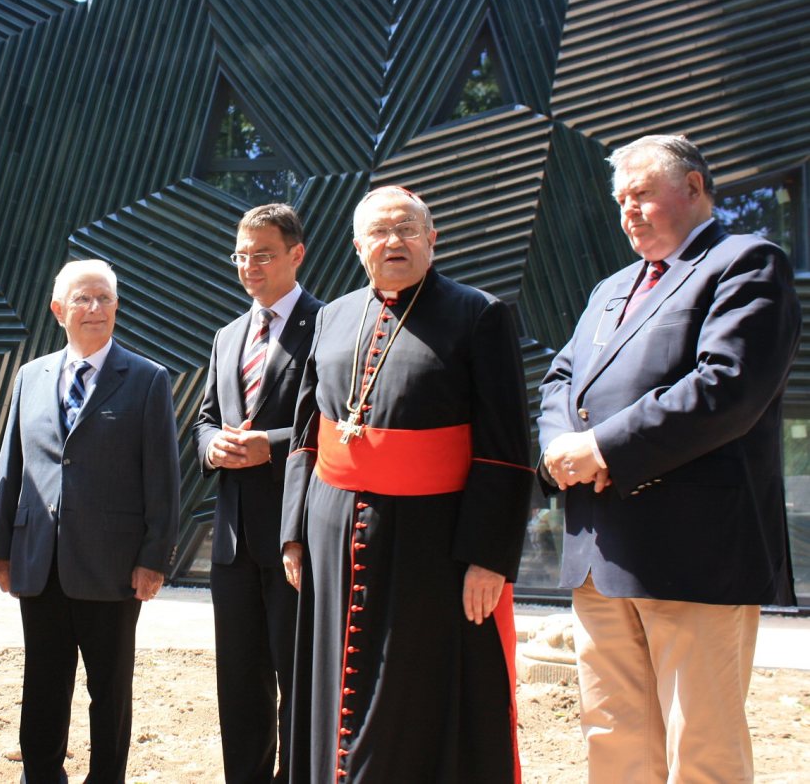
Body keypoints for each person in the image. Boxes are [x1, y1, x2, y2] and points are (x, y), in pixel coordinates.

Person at [537, 134, 800, 783]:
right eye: (622, 198)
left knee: (701, 746)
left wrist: (602, 446)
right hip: (602, 552)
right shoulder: (608, 289)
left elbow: (726, 387)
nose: (628, 209)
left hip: (696, 555)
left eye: (643, 194)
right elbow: (557, 381)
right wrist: (555, 448)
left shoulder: (745, 264)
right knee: (614, 737)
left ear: (694, 189)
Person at [280, 186, 532, 784]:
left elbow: (506, 448)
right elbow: (306, 433)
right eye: (379, 232)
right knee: (334, 683)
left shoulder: (479, 314)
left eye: (407, 229)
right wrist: (293, 532)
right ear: (357, 245)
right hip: (333, 538)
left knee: (412, 693)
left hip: (433, 544)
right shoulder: (334, 315)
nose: (393, 242)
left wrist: (487, 558)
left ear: (432, 239)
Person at [0, 259, 181, 784]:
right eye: (83, 299)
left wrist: (153, 560)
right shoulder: (30, 376)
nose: (95, 308)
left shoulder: (147, 379)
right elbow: (12, 467)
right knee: (43, 685)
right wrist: (1, 549)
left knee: (110, 690)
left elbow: (163, 479)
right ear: (58, 310)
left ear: (116, 307)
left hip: (114, 568)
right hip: (39, 562)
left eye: (104, 298)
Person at [194, 204, 323, 784]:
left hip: (298, 536)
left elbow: (332, 418)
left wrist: (268, 443)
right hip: (233, 542)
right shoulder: (227, 335)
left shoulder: (330, 324)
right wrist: (210, 446)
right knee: (239, 682)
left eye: (262, 254)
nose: (248, 266)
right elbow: (203, 419)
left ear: (296, 254)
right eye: (241, 255)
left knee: (298, 678)